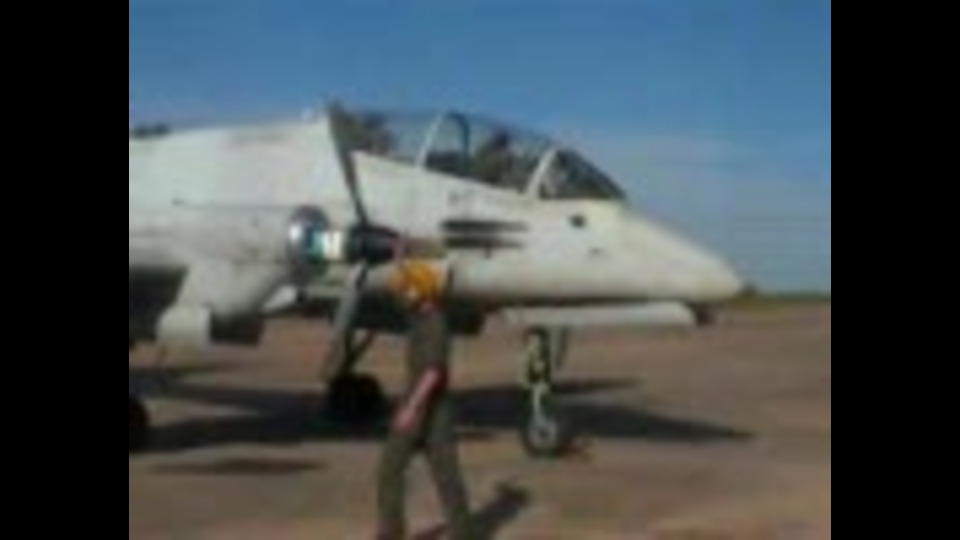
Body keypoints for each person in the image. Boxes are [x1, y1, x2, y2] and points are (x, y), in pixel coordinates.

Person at [376, 261, 474, 540]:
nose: (402, 293)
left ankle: (392, 533)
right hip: (428, 407)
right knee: (444, 475)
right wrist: (399, 259)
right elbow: (405, 284)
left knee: (393, 469)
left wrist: (410, 408)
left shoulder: (434, 323)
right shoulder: (419, 315)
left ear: (421, 291)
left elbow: (432, 373)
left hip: (425, 405)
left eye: (407, 289)